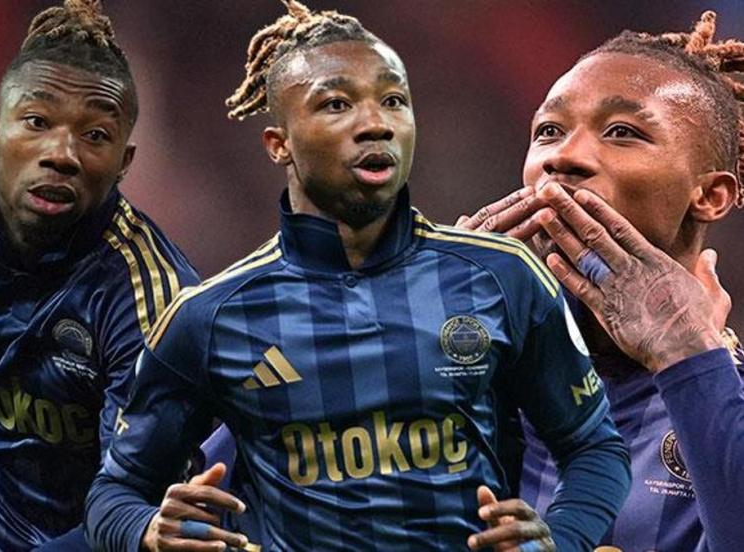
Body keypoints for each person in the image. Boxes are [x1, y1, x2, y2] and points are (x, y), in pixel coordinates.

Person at [85, 2, 630, 550]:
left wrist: (562, 539)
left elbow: (595, 448)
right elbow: (116, 490)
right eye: (337, 104)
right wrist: (145, 530)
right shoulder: (209, 317)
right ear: (279, 144)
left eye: (394, 101)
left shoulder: (504, 276)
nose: (376, 124)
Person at [0, 1, 198, 549]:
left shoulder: (151, 301)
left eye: (95, 135)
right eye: (37, 122)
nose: (62, 154)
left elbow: (135, 511)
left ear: (125, 162)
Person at [458, 11, 744, 551]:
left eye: (622, 133)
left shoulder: (733, 401)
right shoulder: (466, 367)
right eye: (549, 131)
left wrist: (689, 357)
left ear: (710, 195)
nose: (564, 156)